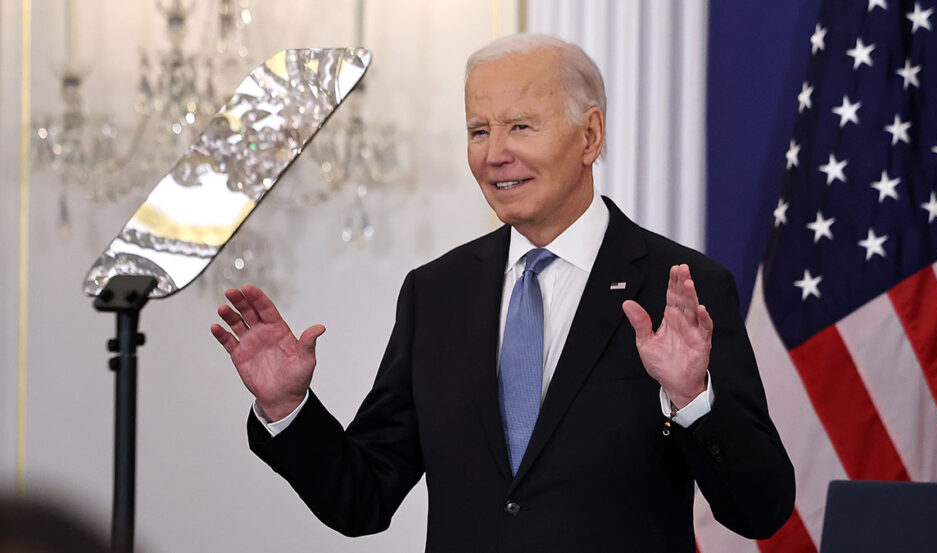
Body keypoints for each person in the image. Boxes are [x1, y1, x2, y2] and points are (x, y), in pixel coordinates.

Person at [211, 33, 794, 552]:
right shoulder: (436, 294)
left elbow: (759, 510)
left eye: (520, 127)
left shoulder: (681, 288)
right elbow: (362, 498)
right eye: (478, 131)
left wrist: (692, 399)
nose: (494, 155)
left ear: (589, 136)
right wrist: (287, 409)